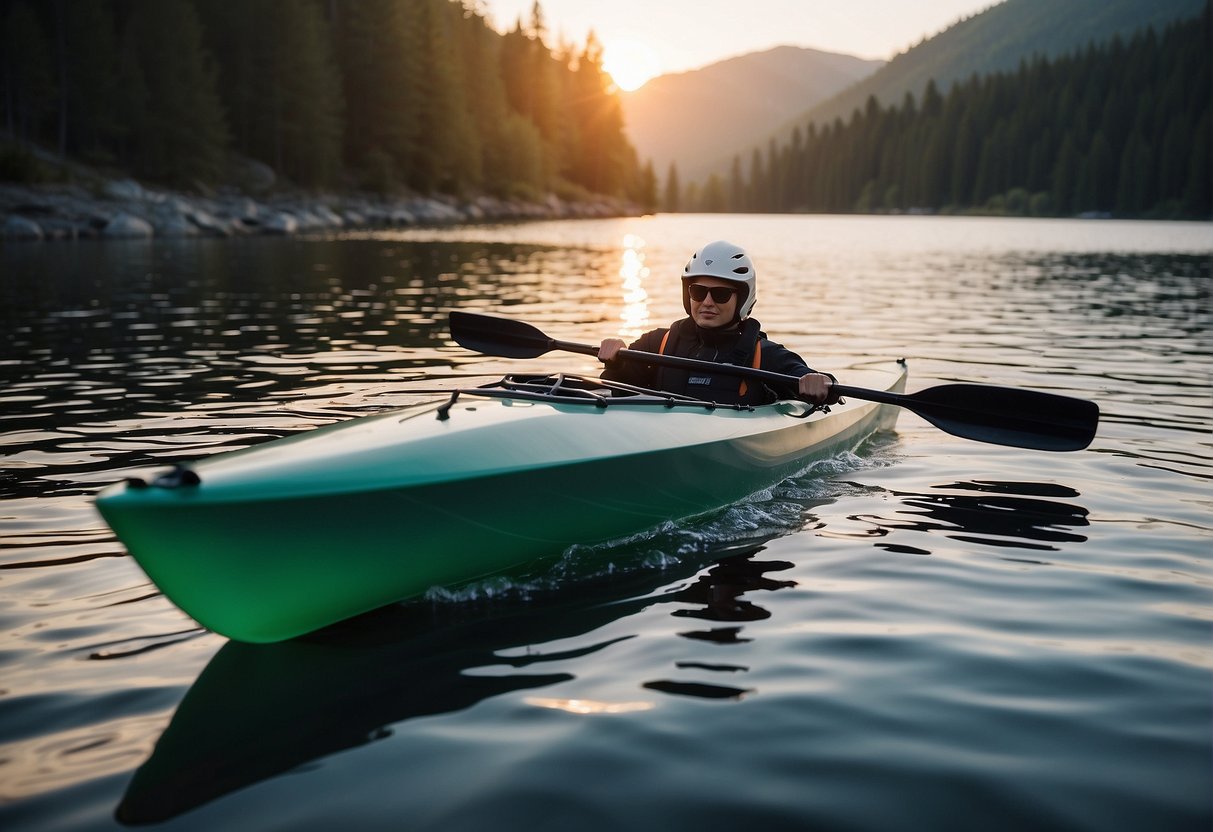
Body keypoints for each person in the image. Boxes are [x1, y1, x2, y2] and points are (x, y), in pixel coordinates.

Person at [598, 240, 839, 406]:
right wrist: (617, 358)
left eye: (721, 294)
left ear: (742, 299)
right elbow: (620, 387)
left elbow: (808, 379)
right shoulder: (658, 343)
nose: (708, 302)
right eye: (698, 291)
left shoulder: (764, 356)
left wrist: (820, 381)